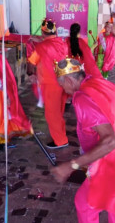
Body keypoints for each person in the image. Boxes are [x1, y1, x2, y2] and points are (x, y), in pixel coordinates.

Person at [51, 58, 115, 223]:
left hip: (111, 160)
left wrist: (72, 165)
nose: (63, 89)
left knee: (85, 203)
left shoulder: (83, 98)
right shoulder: (97, 82)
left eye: (62, 84)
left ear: (70, 80)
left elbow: (110, 141)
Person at [28, 18, 69, 149]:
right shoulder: (63, 44)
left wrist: (31, 74)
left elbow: (31, 63)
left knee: (52, 114)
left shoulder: (41, 47)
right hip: (64, 82)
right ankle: (60, 135)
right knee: (59, 111)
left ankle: (61, 141)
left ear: (42, 32)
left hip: (50, 84)